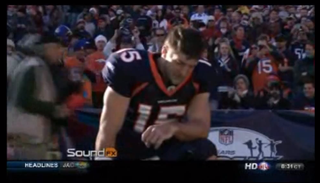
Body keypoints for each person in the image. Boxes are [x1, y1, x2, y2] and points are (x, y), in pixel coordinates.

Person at [96, 26, 217, 160]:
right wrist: (105, 158)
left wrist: (174, 127)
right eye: (179, 63)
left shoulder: (201, 74)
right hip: (126, 149)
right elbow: (108, 131)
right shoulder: (130, 68)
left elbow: (201, 128)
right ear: (164, 51)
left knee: (205, 150)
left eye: (191, 66)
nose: (184, 72)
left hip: (165, 148)